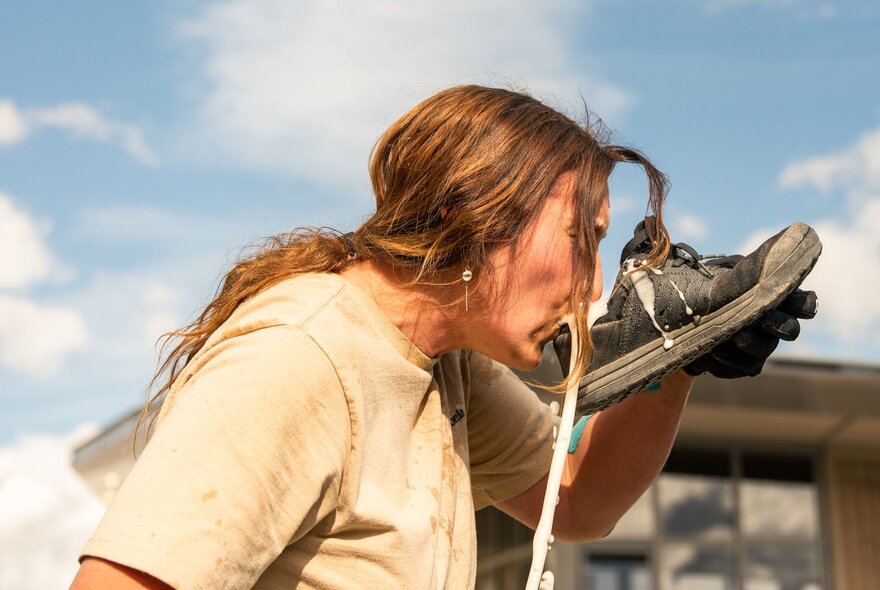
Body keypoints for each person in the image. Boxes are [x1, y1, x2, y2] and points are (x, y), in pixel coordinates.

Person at [69, 85, 814, 590]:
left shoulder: (442, 365)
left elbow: (580, 500)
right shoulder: (298, 356)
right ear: (482, 212)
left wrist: (676, 364)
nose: (593, 288)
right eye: (581, 239)